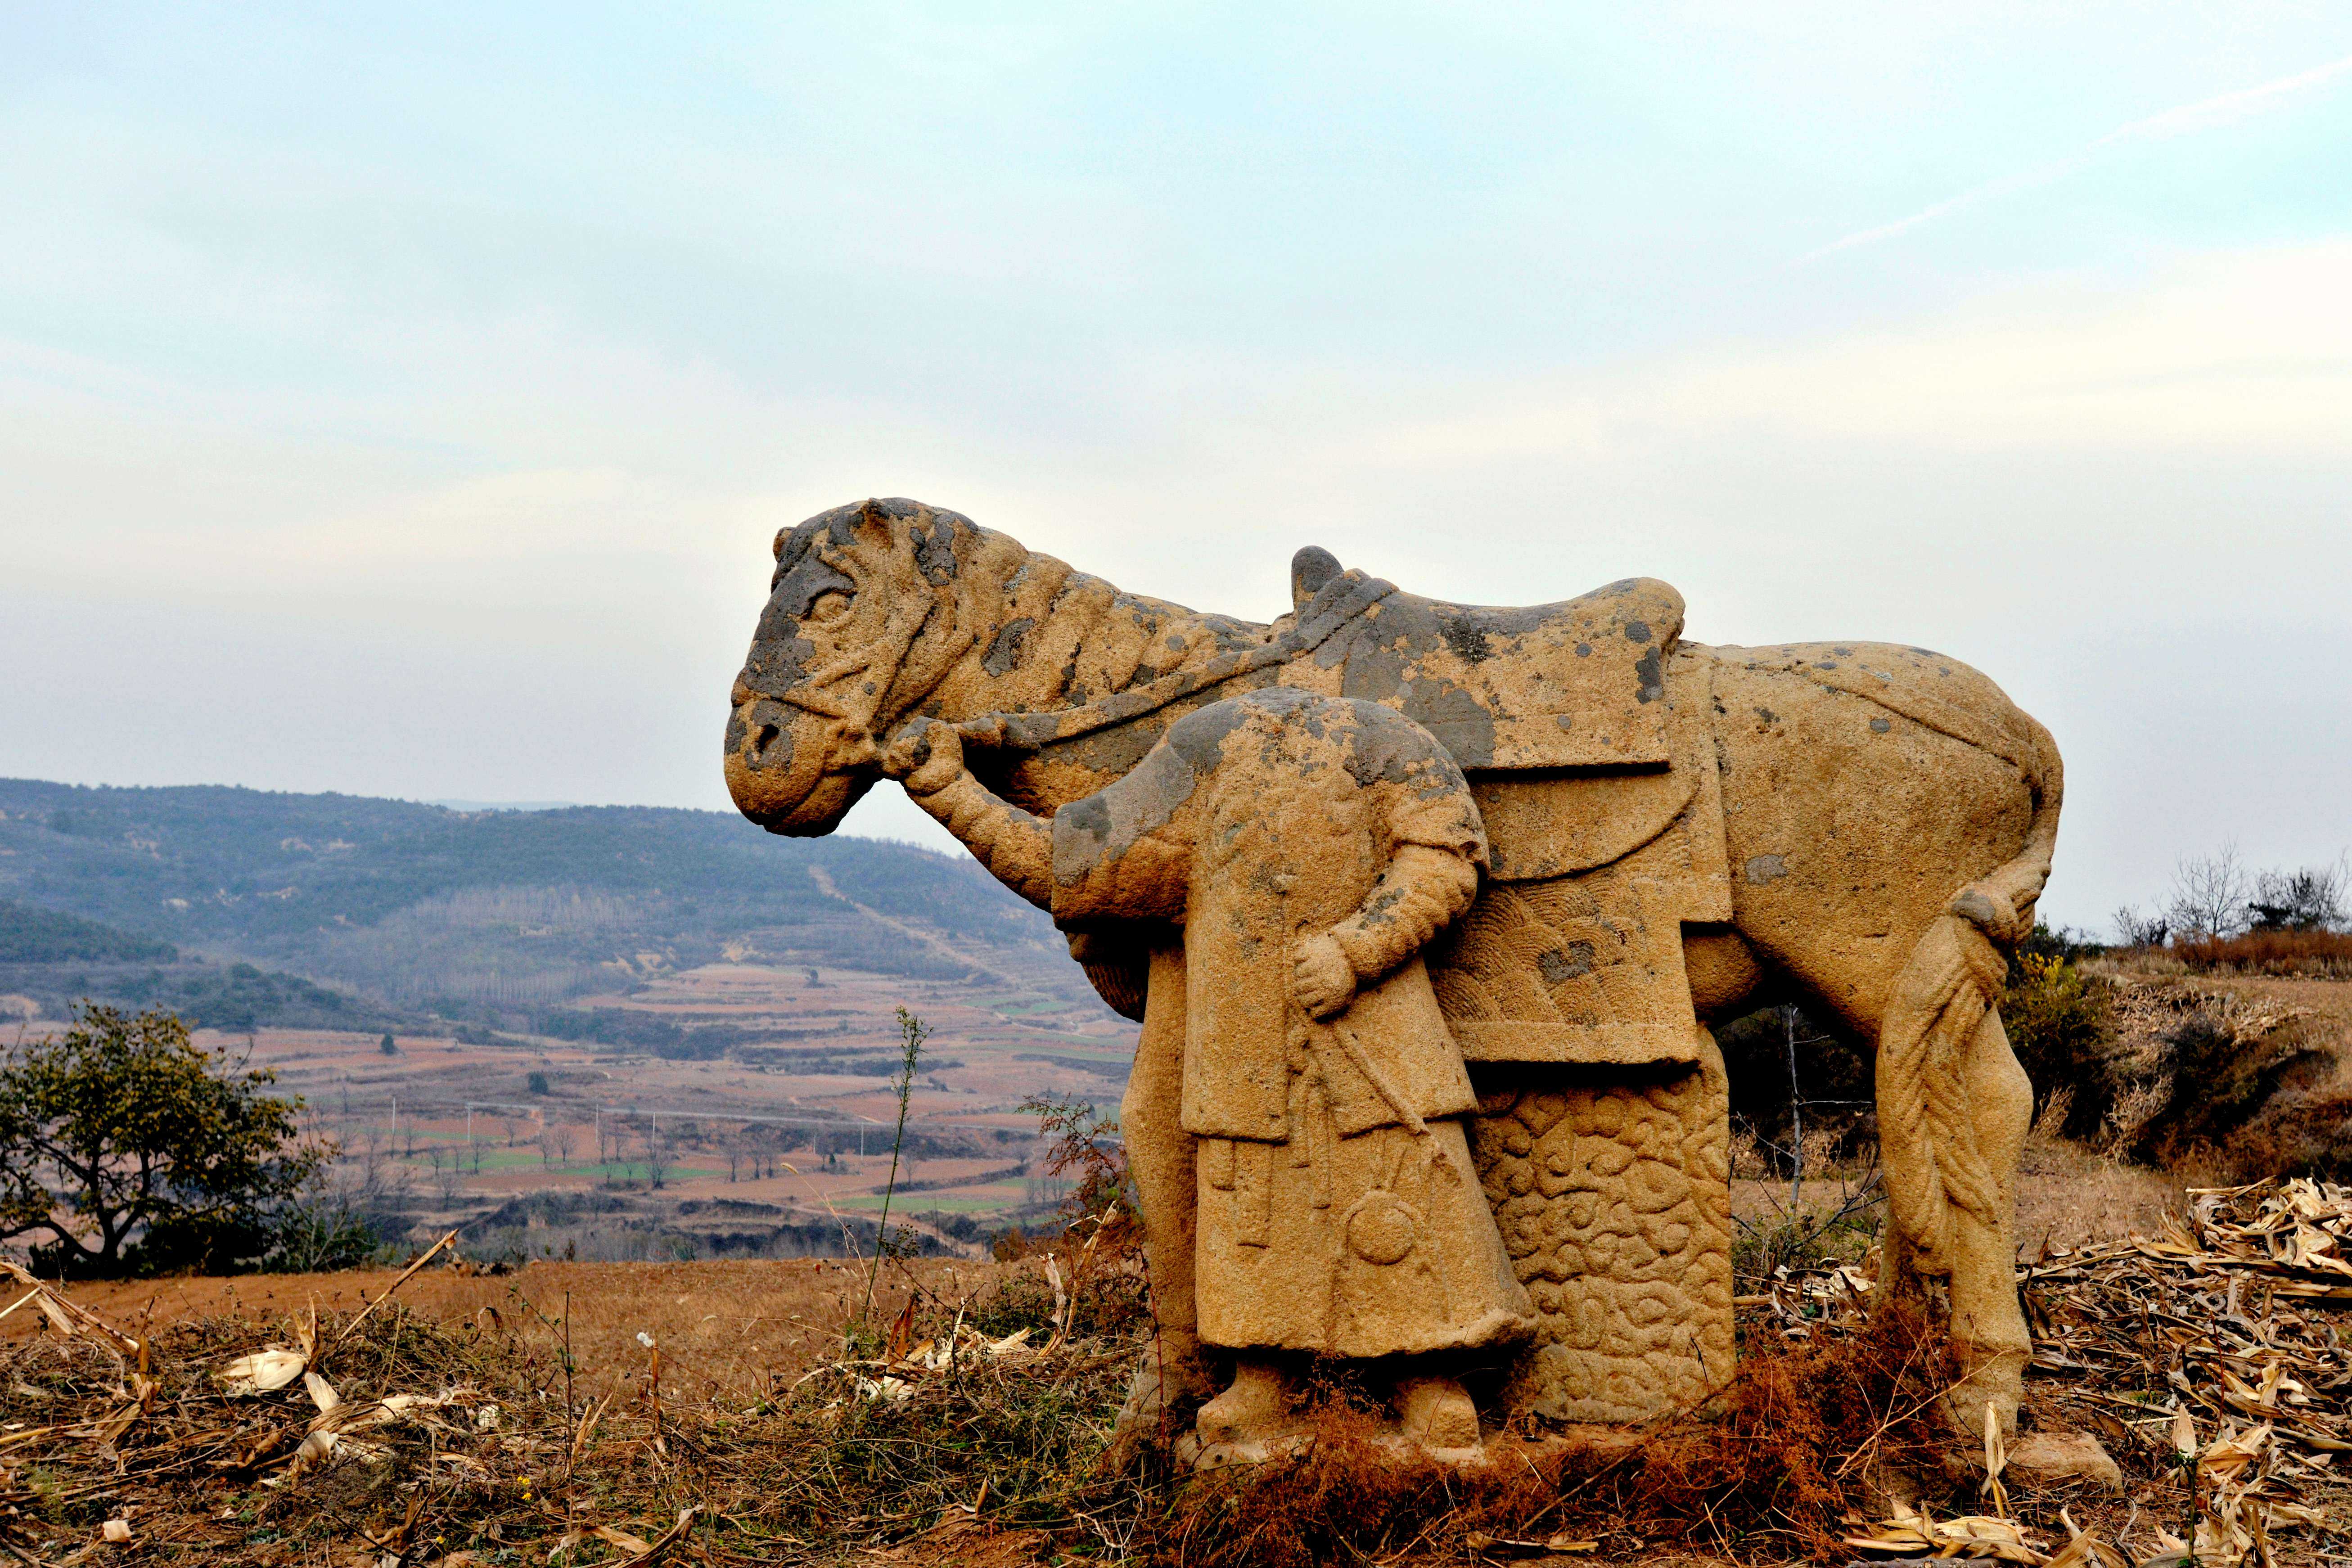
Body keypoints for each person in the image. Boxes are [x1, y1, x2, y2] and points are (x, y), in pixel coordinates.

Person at [885, 686, 1532, 1459]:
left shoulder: (1389, 742)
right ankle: (1262, 1374)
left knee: (1397, 1195)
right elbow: (1071, 868)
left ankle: (1427, 1378)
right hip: (1242, 1041)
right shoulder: (1193, 760)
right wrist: (945, 789)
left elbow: (1444, 858)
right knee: (1248, 1209)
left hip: (1375, 1032)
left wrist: (1358, 949)